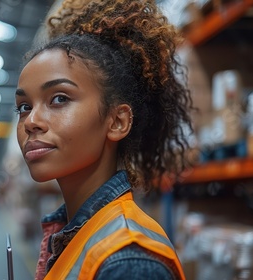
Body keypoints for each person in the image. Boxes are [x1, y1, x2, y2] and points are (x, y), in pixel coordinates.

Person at [14, 0, 192, 279]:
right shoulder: (73, 233)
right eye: (24, 107)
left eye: (59, 99)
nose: (31, 122)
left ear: (117, 121)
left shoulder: (126, 262)